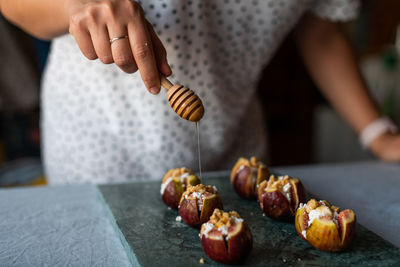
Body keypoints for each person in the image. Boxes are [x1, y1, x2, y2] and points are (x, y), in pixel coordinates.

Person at [1, 0, 399, 184]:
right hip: (101, 152)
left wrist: (378, 134)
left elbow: (322, 30)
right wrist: (75, 5)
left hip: (235, 148)